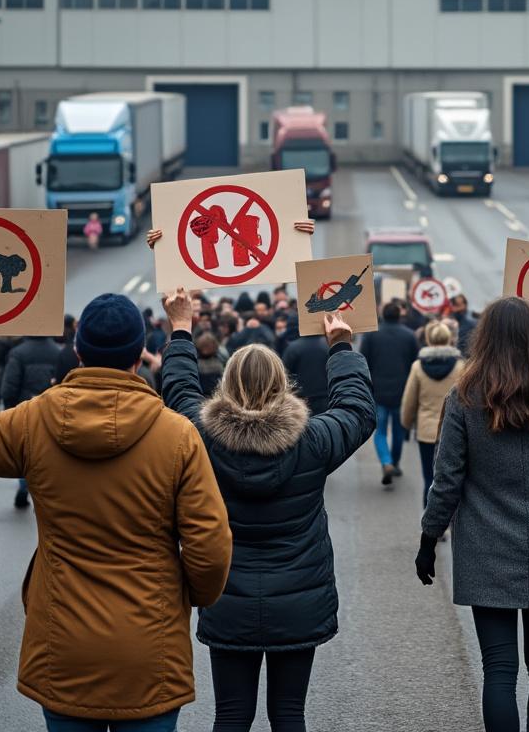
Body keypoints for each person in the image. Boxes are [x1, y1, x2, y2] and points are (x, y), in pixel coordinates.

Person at [0, 295, 233, 731]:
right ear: (139, 355)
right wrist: (188, 596)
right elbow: (210, 545)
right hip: (149, 648)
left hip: (63, 646)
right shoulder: (178, 436)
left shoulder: (34, 420)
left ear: (77, 350)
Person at [159, 290, 376, 732]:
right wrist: (340, 346)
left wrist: (181, 326)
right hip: (301, 598)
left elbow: (178, 390)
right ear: (282, 383)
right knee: (289, 714)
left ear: (225, 382)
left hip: (227, 597)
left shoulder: (200, 436)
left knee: (232, 715)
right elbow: (357, 410)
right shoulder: (312, 440)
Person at [416, 296, 529, 732]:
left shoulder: (464, 400)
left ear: (485, 339)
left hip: (486, 546)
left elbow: (447, 480)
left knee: (499, 670)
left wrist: (428, 539)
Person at [400, 321, 464, 506]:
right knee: (450, 478)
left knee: (429, 477)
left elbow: (409, 400)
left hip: (426, 431)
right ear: (449, 339)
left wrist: (406, 423)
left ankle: (430, 524)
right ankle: (447, 523)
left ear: (428, 339)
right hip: (454, 431)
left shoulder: (418, 367)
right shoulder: (461, 367)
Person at [361, 302, 420, 485]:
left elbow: (363, 361)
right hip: (402, 391)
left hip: (378, 391)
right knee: (398, 431)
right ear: (399, 315)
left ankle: (386, 462)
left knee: (380, 431)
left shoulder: (371, 336)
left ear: (383, 315)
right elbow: (415, 363)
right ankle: (395, 462)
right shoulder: (409, 336)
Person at [1, 335, 61, 508]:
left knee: (25, 451)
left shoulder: (17, 353)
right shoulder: (57, 352)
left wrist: (9, 410)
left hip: (24, 410)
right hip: (51, 410)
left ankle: (23, 486)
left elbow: (9, 387)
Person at [282, 328, 333, 414]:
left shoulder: (293, 348)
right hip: (326, 398)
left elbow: (285, 375)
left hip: (301, 400)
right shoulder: (329, 346)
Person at [194, 332, 226, 398]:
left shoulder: (220, 359)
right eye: (205, 346)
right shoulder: (220, 359)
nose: (207, 348)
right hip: (205, 395)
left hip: (211, 395)